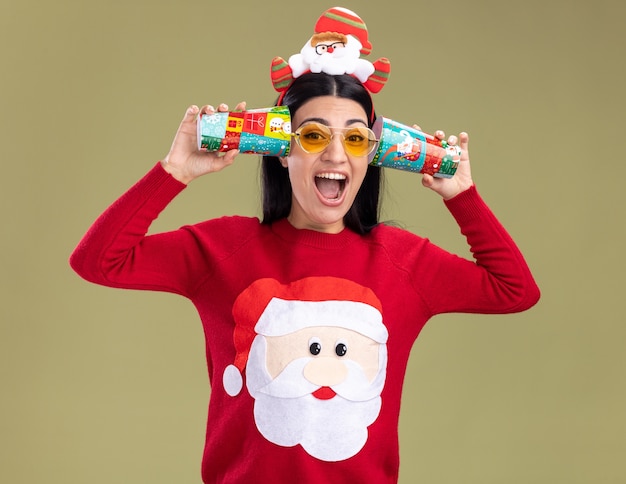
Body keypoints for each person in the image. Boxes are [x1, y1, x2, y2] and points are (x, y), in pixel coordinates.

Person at [70, 7, 540, 483]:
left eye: (355, 140)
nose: (336, 154)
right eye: (314, 135)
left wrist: (463, 197)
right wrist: (175, 172)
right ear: (281, 151)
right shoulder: (225, 248)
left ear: (370, 157)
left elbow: (515, 290)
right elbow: (98, 261)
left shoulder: (403, 262)